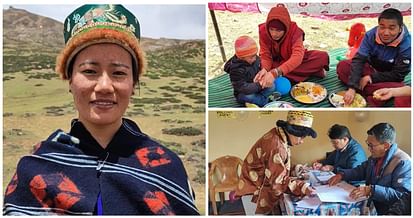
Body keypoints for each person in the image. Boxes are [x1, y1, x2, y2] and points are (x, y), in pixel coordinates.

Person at [3, 4, 198, 215]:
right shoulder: (37, 166)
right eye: (89, 71)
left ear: (134, 84)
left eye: (119, 73)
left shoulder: (166, 168)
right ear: (69, 80)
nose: (105, 86)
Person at [235, 111, 317, 214]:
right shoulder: (276, 146)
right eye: (301, 137)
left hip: (258, 184)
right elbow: (278, 181)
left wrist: (296, 169)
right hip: (254, 190)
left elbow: (279, 165)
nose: (302, 141)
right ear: (292, 131)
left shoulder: (278, 134)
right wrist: (303, 188)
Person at [328, 123, 411, 215]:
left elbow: (402, 196)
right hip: (371, 207)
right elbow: (360, 170)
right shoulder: (374, 157)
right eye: (368, 144)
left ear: (386, 146)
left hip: (388, 212)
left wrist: (372, 190)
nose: (369, 149)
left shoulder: (403, 162)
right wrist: (342, 175)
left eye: (371, 145)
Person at [337, 8, 411, 107]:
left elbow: (399, 74)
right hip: (369, 68)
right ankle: (370, 93)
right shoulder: (370, 35)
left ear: (400, 28)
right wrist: (352, 87)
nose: (386, 33)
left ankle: (368, 90)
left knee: (400, 88)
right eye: (382, 27)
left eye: (392, 28)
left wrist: (372, 78)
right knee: (343, 66)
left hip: (387, 77)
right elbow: (359, 60)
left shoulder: (407, 45)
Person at [254, 6, 329, 87]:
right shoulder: (263, 31)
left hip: (292, 61)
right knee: (260, 64)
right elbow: (265, 55)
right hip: (276, 63)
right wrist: (265, 69)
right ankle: (312, 72)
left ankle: (286, 74)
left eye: (278, 30)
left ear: (286, 28)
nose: (274, 34)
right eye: (271, 29)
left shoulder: (295, 31)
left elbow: (297, 57)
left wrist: (275, 73)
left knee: (322, 57)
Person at [224, 35, 277, 107]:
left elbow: (260, 67)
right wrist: (260, 85)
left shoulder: (254, 59)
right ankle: (264, 102)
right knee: (249, 97)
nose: (255, 58)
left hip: (257, 86)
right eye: (252, 57)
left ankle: (261, 98)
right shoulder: (236, 70)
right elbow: (243, 88)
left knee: (272, 85)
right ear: (241, 57)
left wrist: (263, 76)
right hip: (244, 93)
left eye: (255, 55)